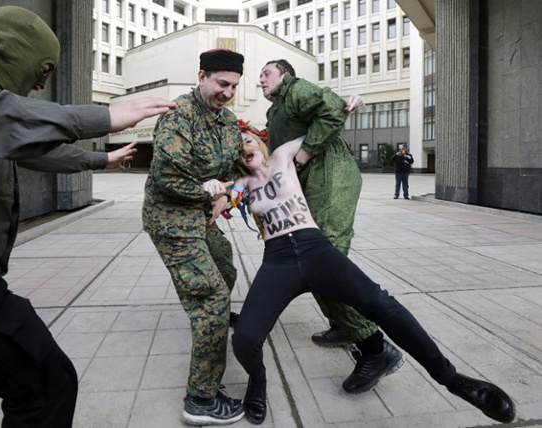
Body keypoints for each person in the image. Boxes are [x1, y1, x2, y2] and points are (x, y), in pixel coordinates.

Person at [0, 6, 177, 428]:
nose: (40, 84)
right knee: (47, 382)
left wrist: (100, 160)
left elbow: (29, 146)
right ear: (14, 51)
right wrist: (98, 117)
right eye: (42, 70)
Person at [205, 128, 516, 426]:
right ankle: (257, 383)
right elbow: (226, 194)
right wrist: (215, 192)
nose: (244, 147)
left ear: (260, 142)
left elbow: (323, 129)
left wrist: (344, 106)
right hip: (278, 260)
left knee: (382, 304)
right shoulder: (242, 182)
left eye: (247, 140)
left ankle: (454, 380)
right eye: (238, 146)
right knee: (245, 338)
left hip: (316, 250)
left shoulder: (284, 156)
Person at [259, 59, 403, 394]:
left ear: (285, 74)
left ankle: (375, 349)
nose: (261, 80)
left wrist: (306, 152)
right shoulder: (275, 111)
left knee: (322, 262)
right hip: (311, 184)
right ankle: (343, 325)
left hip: (331, 176)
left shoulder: (295, 89)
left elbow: (333, 109)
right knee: (317, 259)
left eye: (266, 74)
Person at [142, 49, 246, 426]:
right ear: (201, 77)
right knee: (211, 296)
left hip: (200, 217)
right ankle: (201, 398)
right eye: (221, 84)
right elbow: (167, 179)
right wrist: (211, 192)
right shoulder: (177, 117)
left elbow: (235, 163)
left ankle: (211, 319)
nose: (228, 93)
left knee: (225, 267)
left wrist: (242, 178)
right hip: (171, 220)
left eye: (234, 86)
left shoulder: (228, 121)